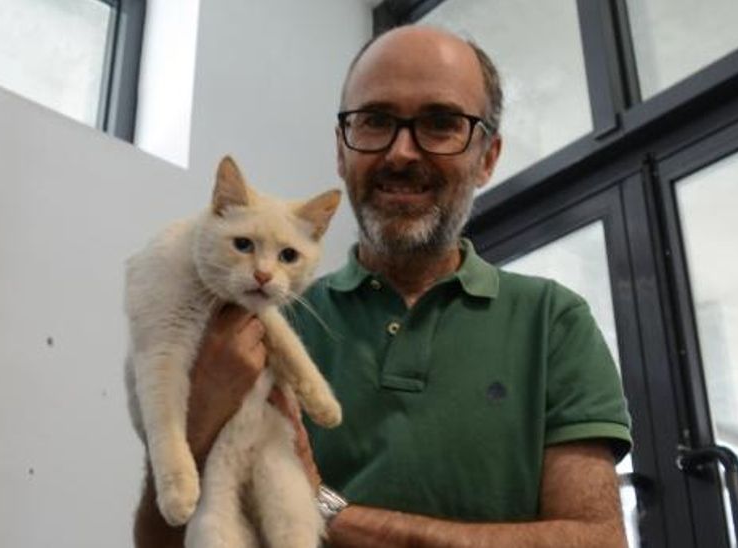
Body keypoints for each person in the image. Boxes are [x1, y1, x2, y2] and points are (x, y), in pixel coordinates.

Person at [134, 25, 631, 547]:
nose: (400, 153)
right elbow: (161, 539)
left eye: (441, 123)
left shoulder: (552, 322)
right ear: (341, 152)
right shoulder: (254, 321)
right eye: (374, 121)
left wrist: (329, 509)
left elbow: (597, 541)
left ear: (487, 157)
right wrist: (194, 424)